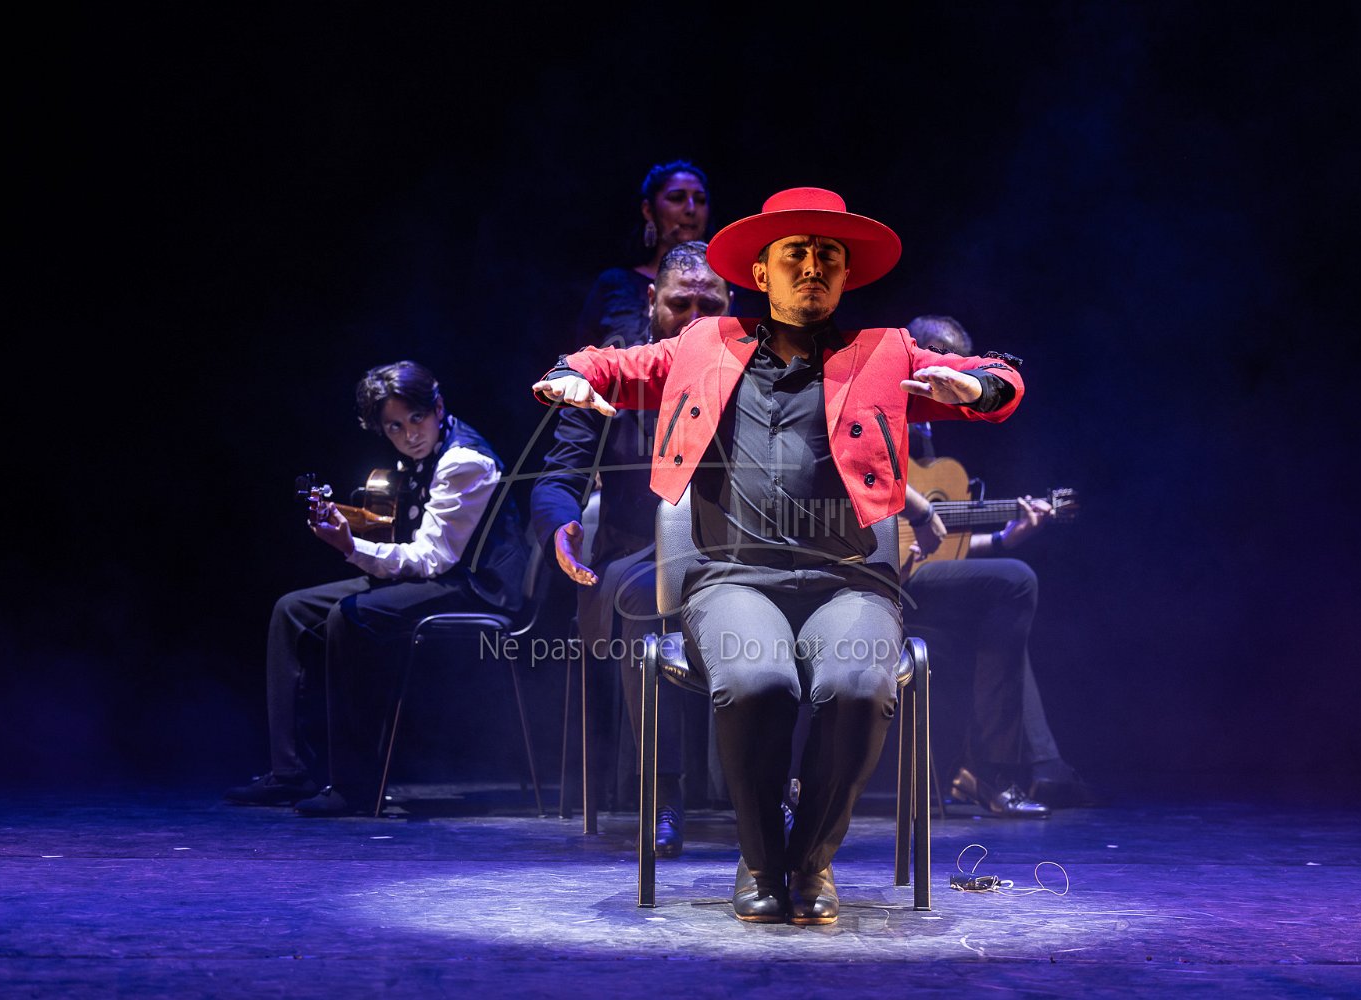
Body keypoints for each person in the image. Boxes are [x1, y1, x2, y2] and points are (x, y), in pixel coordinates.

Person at [533, 187, 1026, 925]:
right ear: (761, 273)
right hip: (733, 577)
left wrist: (977, 385)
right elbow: (615, 364)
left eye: (828, 256)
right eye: (795, 254)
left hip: (849, 580)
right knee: (756, 681)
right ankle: (763, 860)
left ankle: (810, 860)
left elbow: (1004, 379)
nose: (813, 268)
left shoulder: (883, 353)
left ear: (846, 275)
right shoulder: (704, 346)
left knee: (858, 688)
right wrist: (576, 373)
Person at [224, 361, 528, 817]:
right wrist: (350, 525)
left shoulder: (464, 461)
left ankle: (355, 785)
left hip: (476, 586)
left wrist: (351, 546)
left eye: (417, 419)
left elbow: (432, 558)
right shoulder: (421, 455)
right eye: (394, 427)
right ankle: (290, 772)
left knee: (351, 615)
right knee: (292, 610)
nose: (410, 435)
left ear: (438, 407)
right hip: (438, 576)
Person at [532, 241, 732, 858]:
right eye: (680, 303)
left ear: (732, 304)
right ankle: (663, 796)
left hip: (732, 555)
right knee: (651, 596)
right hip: (637, 555)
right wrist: (561, 524)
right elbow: (558, 476)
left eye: (709, 304)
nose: (694, 318)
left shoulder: (751, 369)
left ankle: (782, 793)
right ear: (651, 301)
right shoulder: (616, 372)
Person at [901, 315, 1101, 816]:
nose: (947, 363)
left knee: (1004, 614)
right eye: (937, 350)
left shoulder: (932, 434)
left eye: (956, 356)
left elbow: (938, 541)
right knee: (1013, 586)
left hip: (915, 573)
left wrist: (1004, 537)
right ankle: (1007, 771)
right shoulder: (883, 404)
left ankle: (1000, 772)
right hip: (874, 572)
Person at [571, 161, 712, 351]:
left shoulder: (722, 287)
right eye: (677, 198)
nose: (691, 209)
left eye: (701, 200)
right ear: (648, 210)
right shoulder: (617, 283)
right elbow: (583, 352)